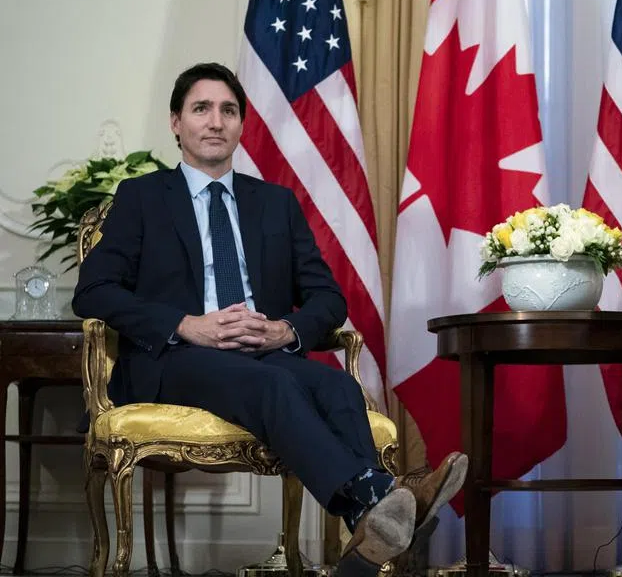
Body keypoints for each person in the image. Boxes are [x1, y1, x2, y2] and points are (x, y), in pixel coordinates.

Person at [72, 63, 466, 577]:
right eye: (201, 109)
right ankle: (378, 499)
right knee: (270, 384)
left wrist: (287, 331)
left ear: (241, 124)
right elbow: (93, 291)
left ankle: (367, 532)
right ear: (176, 122)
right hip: (172, 357)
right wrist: (187, 324)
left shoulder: (275, 203)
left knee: (338, 389)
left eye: (228, 111)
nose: (215, 121)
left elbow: (328, 297)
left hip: (262, 352)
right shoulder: (141, 198)